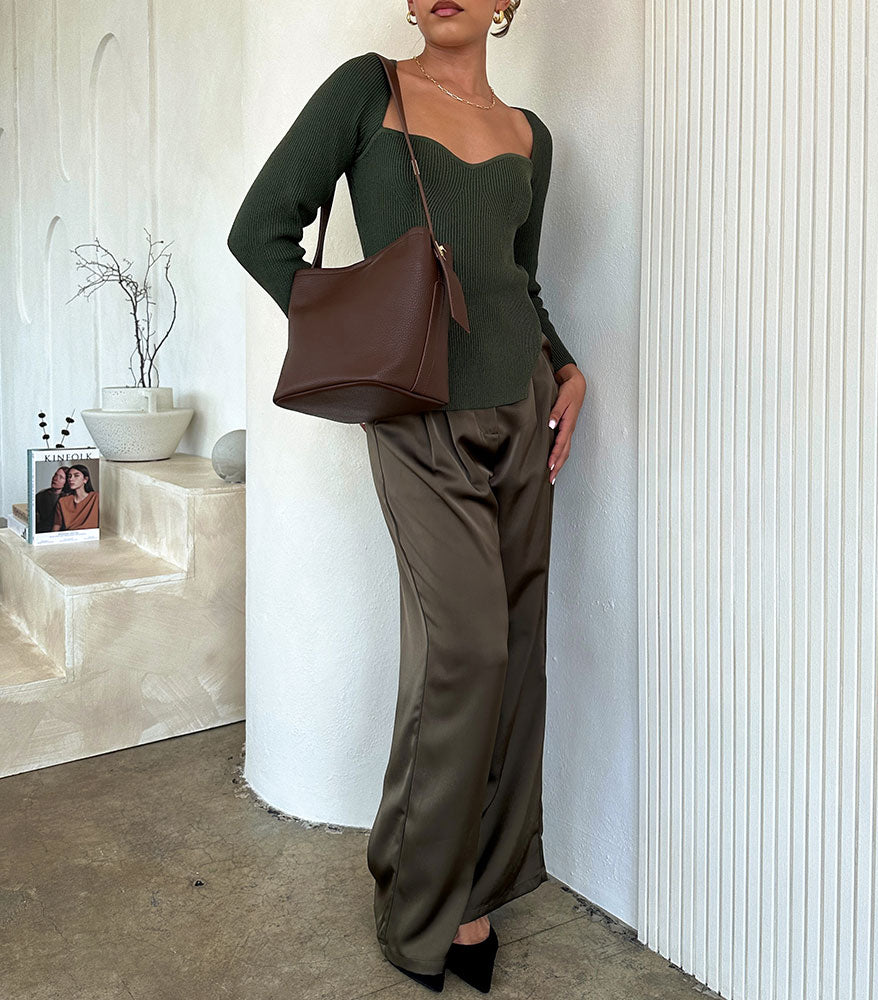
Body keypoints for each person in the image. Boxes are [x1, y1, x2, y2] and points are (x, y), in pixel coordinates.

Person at [227, 1, 586, 991]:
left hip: (520, 407)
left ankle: (469, 878)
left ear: (509, 4)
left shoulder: (529, 137)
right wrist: (353, 331)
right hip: (419, 415)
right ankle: (424, 907)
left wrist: (563, 366)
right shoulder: (366, 90)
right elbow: (260, 230)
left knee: (512, 653)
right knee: (464, 651)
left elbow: (517, 278)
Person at [52, 465, 99, 531]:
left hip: (91, 536)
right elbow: (57, 525)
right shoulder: (62, 501)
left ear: (85, 480)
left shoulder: (96, 497)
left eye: (76, 475)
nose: (71, 479)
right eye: (69, 476)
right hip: (69, 536)